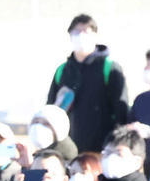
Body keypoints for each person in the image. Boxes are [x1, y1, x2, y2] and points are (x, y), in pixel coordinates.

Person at [46, 15, 130, 154]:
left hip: (101, 147)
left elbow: (121, 110)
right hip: (68, 148)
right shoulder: (63, 70)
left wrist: (117, 144)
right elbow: (51, 108)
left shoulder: (109, 67)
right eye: (76, 32)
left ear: (95, 35)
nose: (81, 36)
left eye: (86, 32)